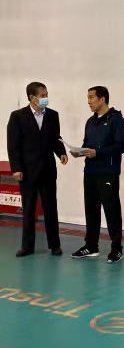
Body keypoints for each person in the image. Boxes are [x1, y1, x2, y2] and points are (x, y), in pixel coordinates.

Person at [5, 81, 68, 257]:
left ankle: (54, 245)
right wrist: (16, 168)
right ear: (32, 97)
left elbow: (55, 138)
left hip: (48, 169)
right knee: (28, 209)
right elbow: (13, 144)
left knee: (51, 208)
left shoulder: (53, 115)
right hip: (27, 171)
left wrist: (61, 152)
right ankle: (27, 246)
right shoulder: (18, 116)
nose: (46, 98)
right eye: (42, 95)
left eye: (47, 95)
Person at [71, 86, 124, 263]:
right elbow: (87, 143)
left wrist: (98, 152)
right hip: (90, 172)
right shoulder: (90, 121)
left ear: (102, 99)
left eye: (91, 97)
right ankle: (91, 246)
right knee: (91, 210)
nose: (88, 101)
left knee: (111, 211)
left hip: (107, 173)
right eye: (87, 98)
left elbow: (122, 146)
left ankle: (116, 248)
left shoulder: (116, 120)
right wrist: (79, 152)